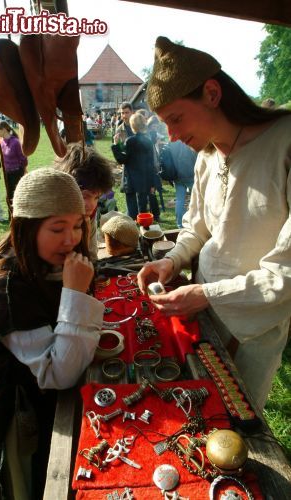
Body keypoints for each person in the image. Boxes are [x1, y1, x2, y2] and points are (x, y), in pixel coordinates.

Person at [138, 36, 291, 410]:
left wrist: (205, 295)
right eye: (165, 124)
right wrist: (172, 260)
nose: (171, 136)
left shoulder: (285, 143)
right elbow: (197, 227)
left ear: (211, 93)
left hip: (252, 324)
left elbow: (286, 272)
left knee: (234, 419)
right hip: (200, 309)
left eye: (175, 119)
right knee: (195, 411)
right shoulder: (206, 155)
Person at [0, 168, 105, 499]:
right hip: (20, 411)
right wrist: (76, 293)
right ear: (27, 228)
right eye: (57, 228)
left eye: (77, 225)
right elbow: (58, 372)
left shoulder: (49, 261)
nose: (71, 238)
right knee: (29, 486)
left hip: (47, 401)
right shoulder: (8, 285)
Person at [55, 144, 114, 261]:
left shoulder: (88, 212)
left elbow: (91, 253)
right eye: (85, 196)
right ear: (67, 189)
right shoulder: (53, 216)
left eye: (96, 197)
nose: (92, 205)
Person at [112, 112, 157, 220]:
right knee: (143, 209)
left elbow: (122, 159)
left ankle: (133, 229)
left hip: (131, 179)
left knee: (132, 211)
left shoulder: (130, 141)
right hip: (144, 178)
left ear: (132, 126)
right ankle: (144, 228)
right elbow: (151, 164)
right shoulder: (148, 141)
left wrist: (115, 145)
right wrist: (152, 182)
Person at [162, 140, 197, 227]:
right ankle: (195, 221)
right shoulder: (189, 139)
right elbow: (195, 156)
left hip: (177, 175)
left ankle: (180, 224)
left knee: (179, 200)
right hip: (190, 174)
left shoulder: (171, 141)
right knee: (197, 199)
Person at [0, 120, 28, 204]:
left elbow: (23, 158)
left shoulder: (15, 142)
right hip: (7, 173)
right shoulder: (1, 142)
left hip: (17, 172)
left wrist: (24, 169)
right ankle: (12, 214)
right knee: (9, 195)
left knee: (18, 194)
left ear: (4, 129)